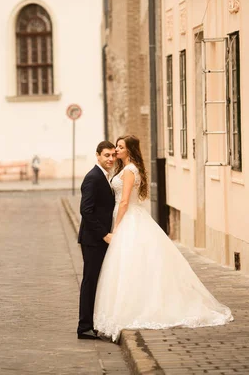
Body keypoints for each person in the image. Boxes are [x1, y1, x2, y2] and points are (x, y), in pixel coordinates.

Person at [93, 135, 233, 342]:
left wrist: (116, 227)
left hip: (128, 219)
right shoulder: (125, 169)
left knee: (129, 264)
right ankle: (132, 304)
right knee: (129, 266)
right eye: (116, 147)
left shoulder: (130, 171)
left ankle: (136, 308)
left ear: (129, 150)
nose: (116, 150)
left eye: (120, 147)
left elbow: (124, 202)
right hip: (129, 217)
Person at [77, 141, 116, 339]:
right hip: (93, 240)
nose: (110, 159)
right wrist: (104, 234)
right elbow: (86, 211)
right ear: (98, 156)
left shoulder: (105, 176)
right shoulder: (93, 178)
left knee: (98, 281)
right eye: (106, 155)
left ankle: (92, 323)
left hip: (99, 238)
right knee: (90, 281)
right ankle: (84, 327)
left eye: (112, 155)